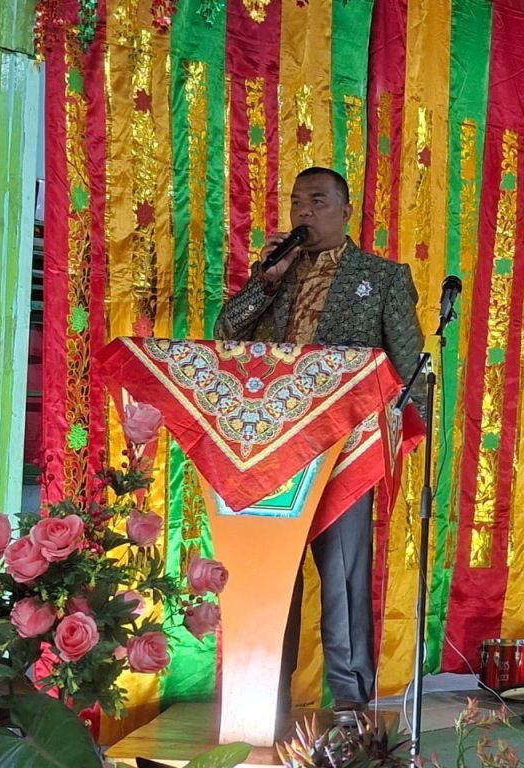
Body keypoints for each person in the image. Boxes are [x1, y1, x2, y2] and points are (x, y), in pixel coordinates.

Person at [213, 167, 424, 725]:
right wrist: (265, 281)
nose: (303, 211)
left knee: (343, 577)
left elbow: (410, 371)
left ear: (346, 211)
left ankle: (351, 700)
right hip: (271, 450)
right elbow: (225, 335)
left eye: (317, 200)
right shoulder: (276, 274)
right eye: (296, 202)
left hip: (344, 451)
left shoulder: (381, 278)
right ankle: (263, 696)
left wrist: (391, 439)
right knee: (270, 573)